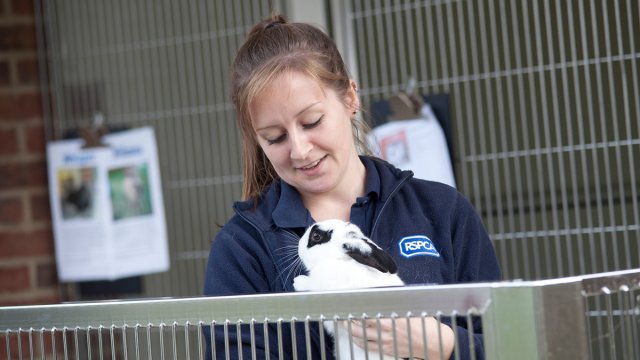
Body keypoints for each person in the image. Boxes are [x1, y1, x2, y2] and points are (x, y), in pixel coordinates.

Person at [203, 14, 501, 360]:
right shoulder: (243, 248)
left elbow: (509, 343)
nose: (299, 150)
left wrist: (441, 344)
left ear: (349, 98)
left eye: (312, 121)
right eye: (275, 137)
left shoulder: (442, 211)